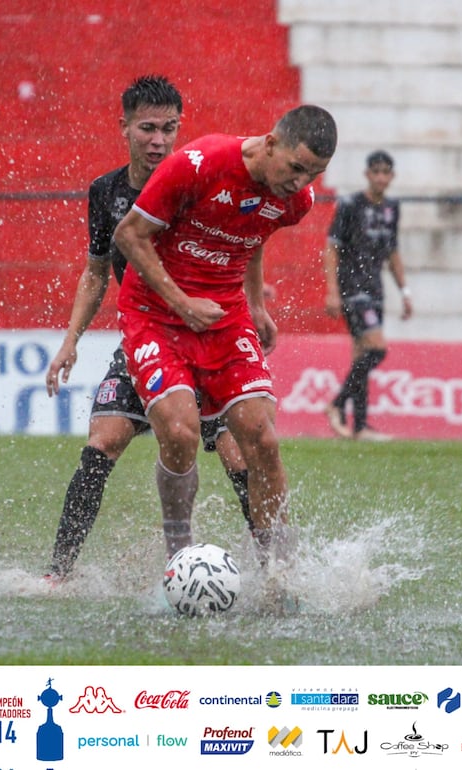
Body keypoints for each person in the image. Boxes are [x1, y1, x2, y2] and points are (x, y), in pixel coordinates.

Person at [112, 105, 338, 587]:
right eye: (296, 168)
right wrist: (183, 303)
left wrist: (256, 307)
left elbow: (253, 233)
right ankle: (179, 560)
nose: (301, 182)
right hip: (154, 313)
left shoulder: (295, 200)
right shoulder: (200, 164)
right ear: (270, 142)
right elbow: (129, 235)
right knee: (180, 431)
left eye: (314, 174)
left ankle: (280, 573)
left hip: (224, 314)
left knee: (263, 439)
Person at [44, 75, 252, 582]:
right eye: (148, 129)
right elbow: (96, 271)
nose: (159, 141)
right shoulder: (106, 192)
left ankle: (278, 571)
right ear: (124, 128)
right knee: (102, 444)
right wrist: (71, 339)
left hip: (207, 342)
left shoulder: (199, 183)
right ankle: (57, 574)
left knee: (238, 455)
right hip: (145, 338)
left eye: (169, 129)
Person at [322, 149, 412, 441]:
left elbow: (394, 252)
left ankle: (359, 427)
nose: (381, 177)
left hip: (375, 289)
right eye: (376, 171)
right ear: (367, 174)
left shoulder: (392, 208)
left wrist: (405, 291)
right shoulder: (350, 205)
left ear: (392, 176)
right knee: (377, 349)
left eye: (386, 172)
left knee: (361, 355)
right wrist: (333, 291)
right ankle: (336, 405)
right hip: (352, 288)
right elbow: (332, 248)